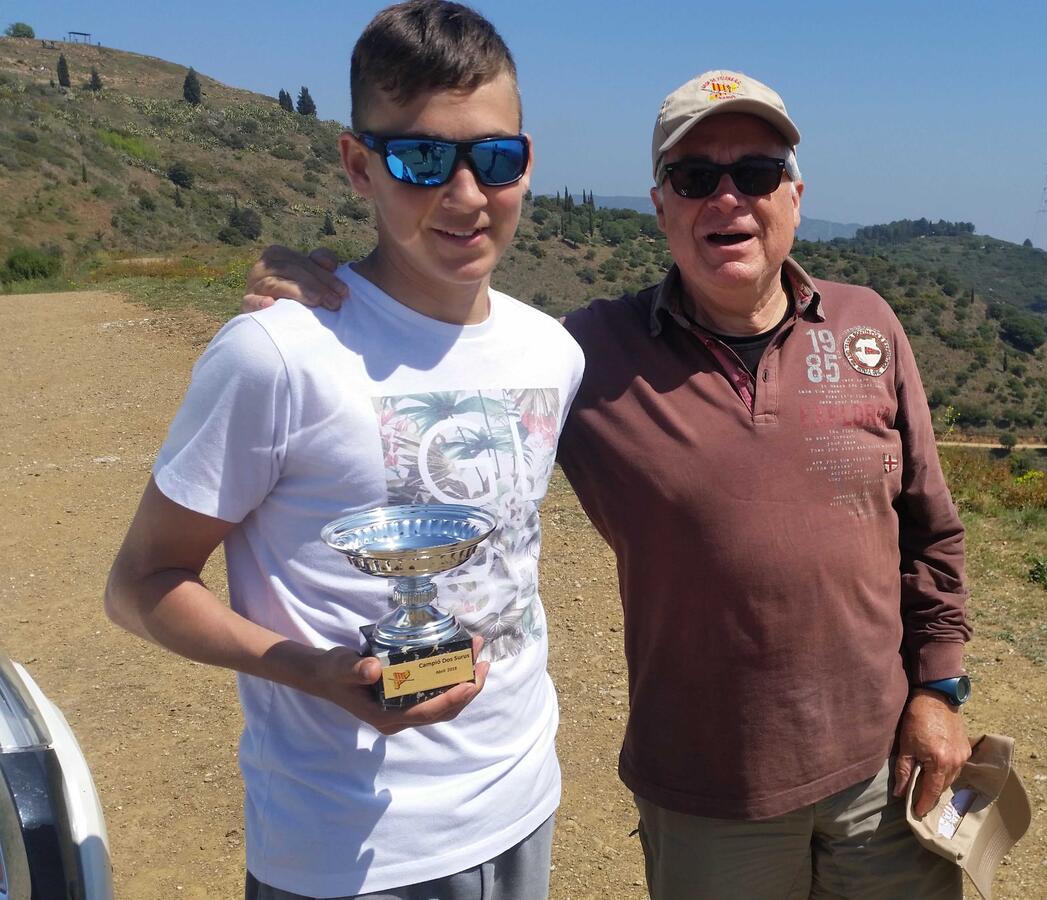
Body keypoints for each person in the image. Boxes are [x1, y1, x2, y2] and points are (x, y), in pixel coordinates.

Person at [246, 69, 973, 899]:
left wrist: (939, 689)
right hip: (708, 792)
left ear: (795, 197)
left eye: (757, 172)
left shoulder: (867, 325)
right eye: (694, 178)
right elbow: (454, 346)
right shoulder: (585, 354)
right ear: (661, 208)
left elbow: (931, 531)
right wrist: (330, 296)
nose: (728, 198)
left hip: (885, 767)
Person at [105, 3, 583, 898]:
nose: (466, 195)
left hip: (523, 800)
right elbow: (139, 585)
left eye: (495, 158)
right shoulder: (277, 354)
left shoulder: (553, 352)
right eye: (421, 160)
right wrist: (311, 673)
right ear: (359, 165)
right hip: (346, 850)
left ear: (526, 161)